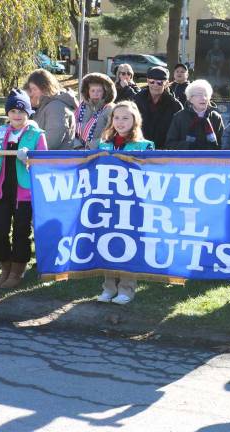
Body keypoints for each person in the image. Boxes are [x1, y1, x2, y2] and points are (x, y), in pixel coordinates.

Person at [0, 90, 48, 289]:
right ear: (8, 113)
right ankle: (5, 266)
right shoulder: (1, 132)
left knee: (21, 233)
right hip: (2, 190)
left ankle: (17, 271)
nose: (17, 115)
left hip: (25, 193)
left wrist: (29, 158)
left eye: (21, 110)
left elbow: (44, 163)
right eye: (12, 110)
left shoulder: (36, 135)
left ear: (28, 113)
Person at [96, 101, 155, 304]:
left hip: (133, 204)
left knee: (129, 245)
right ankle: (108, 287)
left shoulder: (144, 146)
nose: (120, 122)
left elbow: (150, 176)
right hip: (108, 203)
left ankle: (126, 289)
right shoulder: (103, 145)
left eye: (125, 118)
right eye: (117, 117)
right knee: (107, 242)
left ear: (135, 120)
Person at [24, 68, 78, 150]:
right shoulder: (45, 107)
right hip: (46, 159)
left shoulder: (56, 108)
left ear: (45, 88)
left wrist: (25, 148)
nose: (32, 93)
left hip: (55, 160)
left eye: (34, 89)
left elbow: (51, 142)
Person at [166, 79, 224, 150]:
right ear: (190, 99)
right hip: (186, 159)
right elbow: (170, 144)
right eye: (199, 95)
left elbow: (223, 143)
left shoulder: (216, 117)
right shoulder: (179, 117)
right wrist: (190, 146)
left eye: (206, 95)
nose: (203, 98)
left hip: (210, 159)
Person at [134, 66, 183, 149]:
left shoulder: (175, 105)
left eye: (159, 83)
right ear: (147, 81)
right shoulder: (136, 100)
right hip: (139, 148)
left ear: (166, 83)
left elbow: (179, 131)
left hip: (164, 151)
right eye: (152, 82)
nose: (155, 85)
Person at [73, 72, 115, 150]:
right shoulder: (81, 107)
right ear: (87, 92)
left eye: (99, 91)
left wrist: (90, 147)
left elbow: (110, 133)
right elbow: (72, 129)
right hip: (78, 151)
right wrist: (78, 146)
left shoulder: (110, 109)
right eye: (92, 91)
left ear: (105, 92)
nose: (96, 94)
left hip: (99, 151)